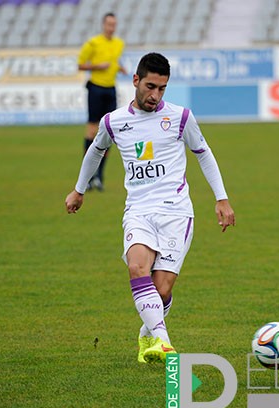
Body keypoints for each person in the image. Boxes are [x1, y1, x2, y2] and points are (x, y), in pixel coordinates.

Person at [65, 53, 235, 364]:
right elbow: (95, 151)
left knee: (162, 290)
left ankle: (148, 334)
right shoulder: (113, 122)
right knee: (137, 267)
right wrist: (79, 190)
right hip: (138, 211)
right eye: (150, 86)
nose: (155, 95)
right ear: (136, 81)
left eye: (162, 89)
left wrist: (221, 198)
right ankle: (164, 342)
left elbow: (204, 154)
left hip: (176, 212)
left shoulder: (181, 117)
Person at [77, 12, 127, 191]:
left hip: (111, 89)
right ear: (103, 25)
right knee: (91, 130)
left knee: (109, 133)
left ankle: (99, 176)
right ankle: (88, 177)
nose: (111, 28)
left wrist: (120, 68)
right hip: (96, 88)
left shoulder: (119, 43)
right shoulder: (93, 43)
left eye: (114, 24)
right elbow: (80, 64)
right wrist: (97, 66)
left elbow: (113, 61)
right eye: (109, 24)